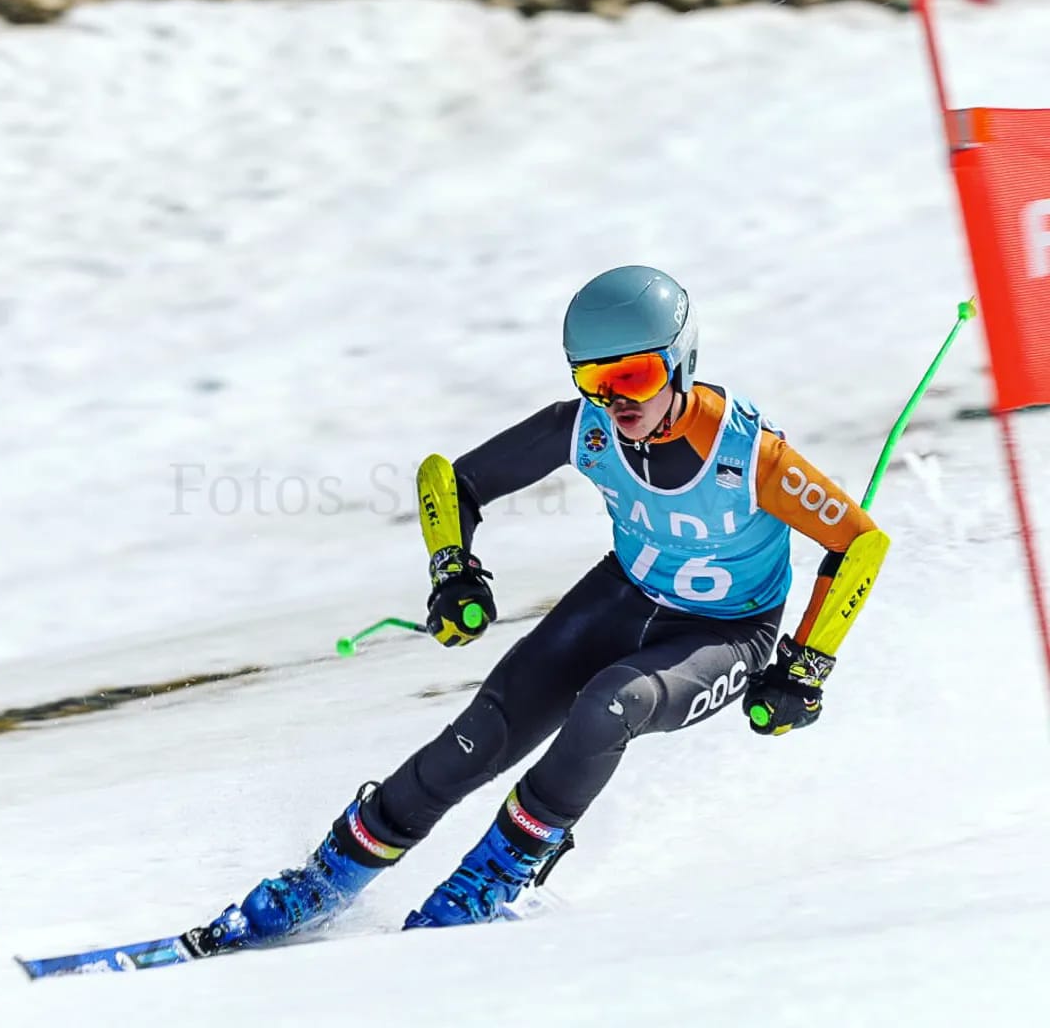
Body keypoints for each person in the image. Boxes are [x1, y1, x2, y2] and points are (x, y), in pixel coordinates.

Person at [185, 265, 889, 953]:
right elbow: (449, 479)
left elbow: (859, 543)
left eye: (635, 376)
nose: (616, 400)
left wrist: (806, 666)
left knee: (610, 706)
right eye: (594, 379)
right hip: (622, 595)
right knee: (475, 740)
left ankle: (493, 879)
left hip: (726, 633)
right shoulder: (586, 429)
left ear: (681, 363)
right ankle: (324, 879)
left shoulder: (748, 453)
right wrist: (453, 571)